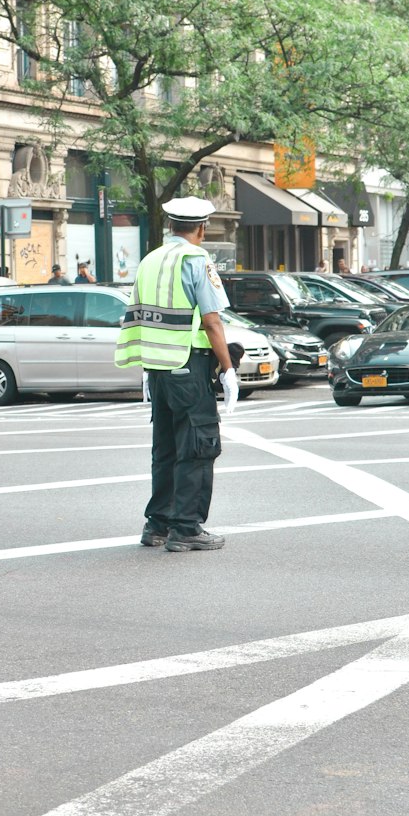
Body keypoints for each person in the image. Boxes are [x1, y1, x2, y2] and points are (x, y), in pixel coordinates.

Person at [115, 197, 237, 552]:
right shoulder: (196, 259)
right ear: (201, 228)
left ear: (170, 225)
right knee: (198, 446)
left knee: (165, 449)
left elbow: (138, 315)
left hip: (157, 368)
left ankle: (157, 525)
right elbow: (212, 321)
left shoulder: (150, 259)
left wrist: (146, 367)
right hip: (188, 366)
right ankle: (186, 528)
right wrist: (228, 370)